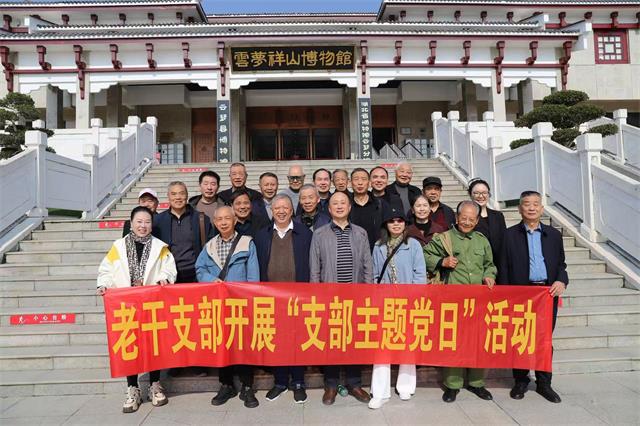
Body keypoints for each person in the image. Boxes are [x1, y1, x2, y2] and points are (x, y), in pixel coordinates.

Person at [97, 206, 177, 413]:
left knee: (153, 344)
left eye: (147, 222)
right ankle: (132, 388)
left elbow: (169, 269)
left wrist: (164, 279)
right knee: (129, 345)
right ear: (131, 223)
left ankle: (154, 385)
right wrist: (104, 284)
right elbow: (107, 269)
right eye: (139, 222)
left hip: (151, 304)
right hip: (126, 305)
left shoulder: (160, 247)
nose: (143, 226)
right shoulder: (118, 247)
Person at [498, 190, 568, 404]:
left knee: (544, 341)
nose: (531, 208)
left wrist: (561, 280)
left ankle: (544, 383)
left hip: (546, 294)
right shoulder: (509, 235)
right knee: (520, 338)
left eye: (536, 204)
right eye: (527, 204)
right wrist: (507, 296)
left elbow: (561, 264)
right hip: (520, 295)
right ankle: (520, 381)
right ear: (520, 208)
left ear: (542, 208)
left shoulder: (553, 235)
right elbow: (503, 267)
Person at [424, 200, 496, 403]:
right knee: (454, 343)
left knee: (478, 342)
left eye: (471, 219)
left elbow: (490, 264)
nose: (467, 222)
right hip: (453, 302)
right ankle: (452, 385)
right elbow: (425, 254)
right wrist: (442, 262)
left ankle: (476, 383)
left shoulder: (482, 240)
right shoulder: (444, 238)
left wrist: (489, 275)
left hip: (479, 301)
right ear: (456, 218)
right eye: (463, 218)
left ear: (477, 220)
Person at [310, 191, 373, 405]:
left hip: (355, 298)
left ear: (349, 207)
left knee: (354, 341)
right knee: (332, 341)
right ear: (329, 209)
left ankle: (354, 384)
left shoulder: (361, 233)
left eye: (343, 203)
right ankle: (330, 385)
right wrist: (317, 297)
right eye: (335, 203)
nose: (339, 206)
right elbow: (314, 269)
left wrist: (367, 295)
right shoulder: (319, 234)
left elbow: (368, 266)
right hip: (330, 299)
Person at [195, 206, 260, 408]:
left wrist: (251, 300)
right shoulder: (209, 246)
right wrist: (211, 280)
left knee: (243, 344)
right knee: (222, 344)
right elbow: (199, 268)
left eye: (227, 218)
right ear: (215, 223)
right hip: (218, 304)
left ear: (234, 220)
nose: (223, 222)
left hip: (241, 304)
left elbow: (253, 276)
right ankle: (226, 384)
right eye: (219, 219)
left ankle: (247, 386)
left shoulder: (247, 243)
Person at [254, 195, 313, 404]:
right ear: (271, 211)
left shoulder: (304, 233)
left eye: (285, 208)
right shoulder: (261, 235)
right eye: (277, 208)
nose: (281, 211)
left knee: (297, 340)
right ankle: (280, 382)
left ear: (292, 210)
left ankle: (298, 382)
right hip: (271, 298)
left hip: (298, 297)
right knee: (276, 340)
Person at [369, 205, 426, 409]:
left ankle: (405, 386)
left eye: (400, 221)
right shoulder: (378, 246)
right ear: (386, 224)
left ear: (405, 224)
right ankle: (380, 391)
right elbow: (375, 275)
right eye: (392, 221)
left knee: (407, 344)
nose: (396, 224)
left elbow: (420, 275)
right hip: (385, 303)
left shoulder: (413, 245)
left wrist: (412, 299)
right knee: (382, 347)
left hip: (408, 302)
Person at [152, 181, 215, 284]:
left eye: (181, 193)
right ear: (168, 197)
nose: (178, 197)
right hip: (168, 277)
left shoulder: (202, 219)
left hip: (196, 275)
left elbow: (211, 248)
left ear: (187, 195)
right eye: (173, 194)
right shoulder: (157, 221)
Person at [468, 178, 506, 266]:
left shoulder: (498, 216)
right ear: (470, 195)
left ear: (489, 194)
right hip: (475, 264)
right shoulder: (466, 217)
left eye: (484, 193)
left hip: (497, 263)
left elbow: (504, 241)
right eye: (476, 193)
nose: (481, 196)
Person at [349, 168, 387, 251]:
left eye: (363, 179)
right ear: (350, 183)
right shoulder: (346, 205)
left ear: (369, 183)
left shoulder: (380, 204)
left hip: (376, 251)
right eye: (356, 179)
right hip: (352, 252)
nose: (360, 183)